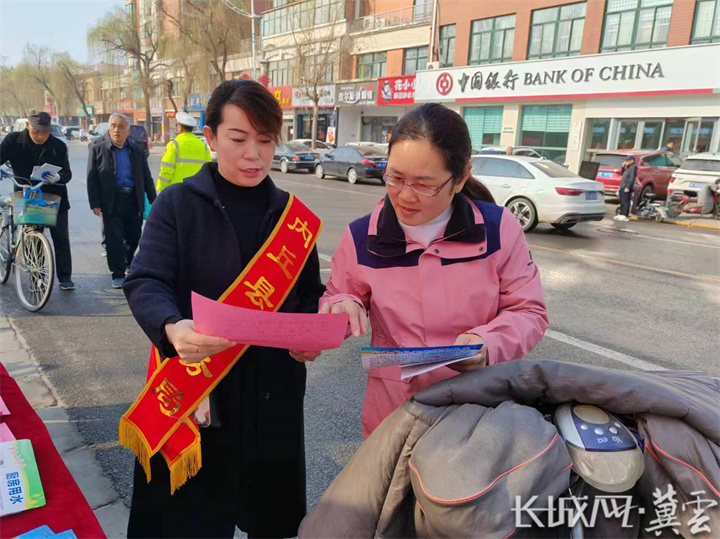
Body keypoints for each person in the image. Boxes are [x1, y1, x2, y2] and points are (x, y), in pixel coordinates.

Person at [122, 79, 325, 539]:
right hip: (199, 394)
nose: (254, 154)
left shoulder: (293, 218)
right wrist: (171, 326)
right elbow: (146, 279)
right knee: (187, 526)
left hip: (272, 398)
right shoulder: (177, 205)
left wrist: (313, 333)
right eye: (238, 139)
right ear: (211, 138)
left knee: (269, 521)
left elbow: (309, 296)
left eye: (265, 141)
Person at [314, 103, 549, 438]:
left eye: (425, 185)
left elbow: (529, 311)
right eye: (395, 177)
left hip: (478, 409)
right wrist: (342, 304)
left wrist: (487, 344)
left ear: (461, 177)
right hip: (392, 412)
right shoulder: (362, 236)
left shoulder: (498, 230)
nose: (405, 196)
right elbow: (338, 294)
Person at [0, 110, 75, 290]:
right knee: (32, 237)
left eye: (44, 132)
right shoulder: (13, 141)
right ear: (27, 126)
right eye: (36, 131)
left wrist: (58, 177)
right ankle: (37, 278)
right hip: (27, 195)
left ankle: (65, 277)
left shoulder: (58, 145)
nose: (40, 136)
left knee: (61, 237)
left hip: (54, 196)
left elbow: (67, 173)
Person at [87, 113, 156, 289]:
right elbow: (92, 177)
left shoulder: (137, 149)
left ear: (128, 131)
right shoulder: (98, 147)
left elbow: (146, 176)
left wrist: (153, 200)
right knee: (114, 238)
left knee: (134, 236)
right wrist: (95, 203)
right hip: (111, 200)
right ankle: (117, 273)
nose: (116, 130)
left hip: (133, 198)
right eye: (113, 126)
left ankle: (127, 263)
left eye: (121, 127)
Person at [156, 111, 212, 193]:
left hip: (176, 191)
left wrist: (161, 188)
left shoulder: (174, 145)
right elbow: (208, 170)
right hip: (197, 191)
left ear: (180, 127)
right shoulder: (203, 146)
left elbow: (166, 171)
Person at [614, 156, 637, 222]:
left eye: (627, 161)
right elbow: (622, 173)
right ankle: (621, 213)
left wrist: (628, 186)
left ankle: (625, 214)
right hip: (622, 186)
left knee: (625, 201)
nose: (625, 162)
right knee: (622, 200)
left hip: (626, 186)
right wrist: (623, 167)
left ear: (632, 161)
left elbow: (632, 178)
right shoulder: (627, 168)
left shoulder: (633, 167)